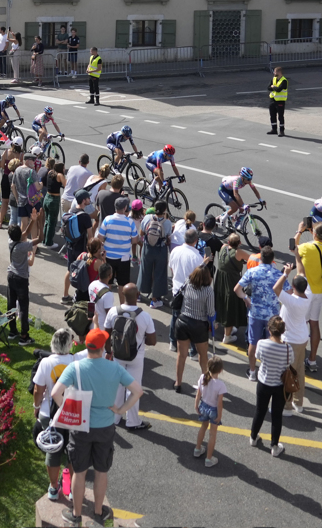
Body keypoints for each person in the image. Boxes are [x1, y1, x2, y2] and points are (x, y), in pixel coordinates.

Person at [49, 328, 141, 528]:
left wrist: (68, 407)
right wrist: (120, 410)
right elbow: (137, 391)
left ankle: (76, 514)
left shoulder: (76, 368)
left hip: (80, 427)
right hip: (105, 427)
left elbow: (56, 393)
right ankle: (99, 511)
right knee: (101, 471)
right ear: (102, 348)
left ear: (87, 346)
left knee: (79, 472)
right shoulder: (114, 368)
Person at [33, 329, 83, 501]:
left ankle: (53, 488)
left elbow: (38, 390)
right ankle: (68, 487)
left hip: (49, 413)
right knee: (72, 451)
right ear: (70, 344)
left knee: (53, 451)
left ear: (52, 343)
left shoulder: (45, 362)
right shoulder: (77, 360)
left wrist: (36, 406)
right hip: (71, 412)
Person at [103, 282, 156, 432]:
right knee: (133, 389)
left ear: (123, 295)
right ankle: (133, 421)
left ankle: (115, 417)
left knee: (118, 386)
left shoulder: (113, 311)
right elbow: (152, 341)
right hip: (136, 358)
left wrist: (108, 351)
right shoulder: (145, 316)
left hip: (118, 355)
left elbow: (106, 334)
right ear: (137, 296)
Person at [233, 242, 282, 380]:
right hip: (272, 315)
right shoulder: (278, 274)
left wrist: (246, 298)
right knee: (271, 342)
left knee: (253, 343)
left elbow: (237, 289)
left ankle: (253, 372)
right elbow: (289, 292)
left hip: (255, 312)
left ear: (260, 258)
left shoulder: (252, 272)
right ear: (272, 260)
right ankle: (267, 372)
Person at [295, 222, 322, 374]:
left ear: (313, 234)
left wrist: (299, 230)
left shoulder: (306, 247)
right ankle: (312, 360)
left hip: (304, 290)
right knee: (314, 324)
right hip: (318, 290)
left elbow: (293, 246)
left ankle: (298, 358)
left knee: (300, 323)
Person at [274, 268, 312, 415]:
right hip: (302, 338)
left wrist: (285, 273)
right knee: (299, 371)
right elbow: (302, 275)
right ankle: (298, 403)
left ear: (294, 287)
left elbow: (276, 288)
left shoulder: (291, 300)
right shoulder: (308, 295)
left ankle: (287, 406)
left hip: (291, 341)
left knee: (288, 373)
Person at [174, 264, 214, 394]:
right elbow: (210, 312)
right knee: (203, 356)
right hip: (199, 325)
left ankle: (178, 383)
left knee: (181, 355)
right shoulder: (208, 290)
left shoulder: (187, 283)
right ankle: (207, 385)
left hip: (183, 321)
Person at [191, 359, 228, 468]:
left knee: (203, 427)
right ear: (220, 370)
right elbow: (219, 403)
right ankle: (208, 458)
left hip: (203, 406)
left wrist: (196, 405)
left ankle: (197, 449)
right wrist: (220, 415)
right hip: (213, 410)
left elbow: (198, 394)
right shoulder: (221, 385)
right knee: (212, 434)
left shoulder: (203, 377)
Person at [5, 224, 37, 343]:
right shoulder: (23, 246)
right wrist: (38, 221)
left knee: (11, 304)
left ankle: (12, 331)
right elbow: (40, 239)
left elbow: (23, 234)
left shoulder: (10, 242)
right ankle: (24, 336)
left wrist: (31, 222)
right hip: (21, 279)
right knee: (23, 307)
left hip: (11, 276)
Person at [138, 200, 172, 307]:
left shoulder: (147, 218)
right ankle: (154, 299)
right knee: (159, 273)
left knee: (144, 270)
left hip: (147, 248)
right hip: (160, 250)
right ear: (165, 210)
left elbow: (141, 233)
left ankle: (138, 294)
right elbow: (168, 237)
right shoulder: (167, 223)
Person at [267, 66, 289, 136]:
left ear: (279, 72)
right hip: (272, 100)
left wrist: (273, 87)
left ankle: (282, 131)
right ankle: (274, 129)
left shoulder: (284, 81)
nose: (274, 73)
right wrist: (274, 88)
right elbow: (268, 88)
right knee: (272, 115)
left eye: (275, 71)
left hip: (280, 101)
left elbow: (279, 89)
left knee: (280, 116)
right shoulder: (273, 79)